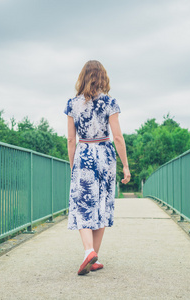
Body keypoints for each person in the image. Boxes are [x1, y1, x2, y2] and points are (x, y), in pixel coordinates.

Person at [64, 60, 131, 275]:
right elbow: (118, 137)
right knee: (102, 202)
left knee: (82, 202)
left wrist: (73, 165)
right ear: (103, 77)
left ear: (83, 77)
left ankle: (88, 252)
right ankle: (93, 257)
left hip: (84, 153)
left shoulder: (72, 104)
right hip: (105, 154)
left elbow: (70, 140)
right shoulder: (110, 103)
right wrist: (126, 166)